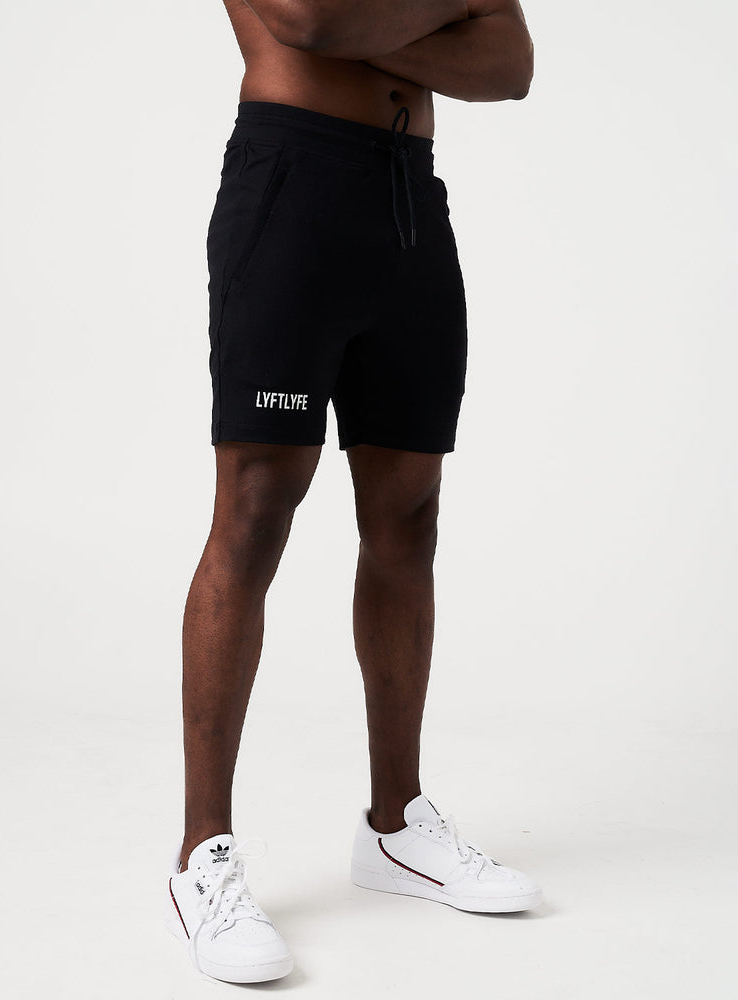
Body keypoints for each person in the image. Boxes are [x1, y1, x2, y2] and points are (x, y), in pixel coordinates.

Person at [164, 0, 538, 984]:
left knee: (408, 515)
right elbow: (309, 20)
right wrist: (451, 9)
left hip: (408, 198)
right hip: (291, 183)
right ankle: (202, 853)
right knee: (254, 509)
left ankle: (395, 827)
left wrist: (380, 27)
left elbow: (508, 63)